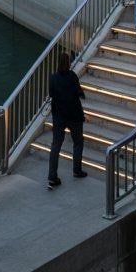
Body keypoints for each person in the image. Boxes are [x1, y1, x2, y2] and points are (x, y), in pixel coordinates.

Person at [47, 52, 86, 188]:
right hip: (74, 116)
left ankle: (52, 176)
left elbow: (51, 94)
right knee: (78, 142)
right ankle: (77, 170)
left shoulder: (53, 78)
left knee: (56, 146)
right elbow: (79, 92)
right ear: (68, 63)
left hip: (58, 116)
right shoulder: (72, 77)